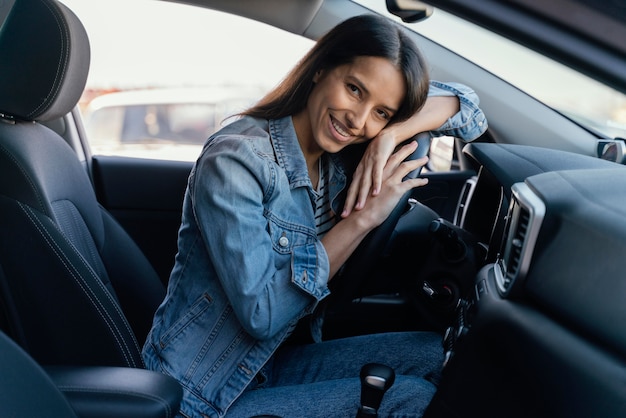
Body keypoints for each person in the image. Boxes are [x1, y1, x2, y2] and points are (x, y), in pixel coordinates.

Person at [142, 14, 487, 418]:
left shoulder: (333, 165)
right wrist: (361, 221)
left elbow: (470, 110)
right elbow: (262, 314)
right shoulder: (237, 160)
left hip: (264, 365)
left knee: (438, 353)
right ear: (321, 68)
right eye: (354, 89)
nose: (357, 121)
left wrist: (392, 135)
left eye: (380, 112)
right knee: (408, 398)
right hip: (199, 393)